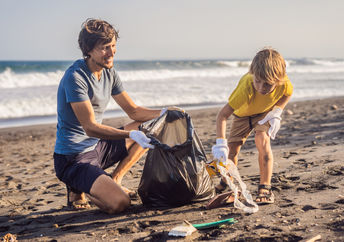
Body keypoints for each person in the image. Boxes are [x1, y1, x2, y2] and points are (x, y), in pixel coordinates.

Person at [53, 18, 164, 214]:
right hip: (73, 159)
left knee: (153, 127)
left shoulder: (109, 72)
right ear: (89, 50)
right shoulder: (75, 77)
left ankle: (115, 179)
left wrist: (167, 113)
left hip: (97, 149)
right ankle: (79, 187)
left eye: (113, 45)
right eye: (105, 47)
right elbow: (90, 127)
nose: (112, 52)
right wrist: (129, 135)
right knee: (120, 203)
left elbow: (134, 111)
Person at [211, 47, 293, 205]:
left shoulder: (284, 83)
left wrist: (277, 112)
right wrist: (220, 143)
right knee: (231, 150)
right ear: (252, 74)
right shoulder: (247, 86)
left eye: (268, 84)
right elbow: (222, 115)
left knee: (262, 140)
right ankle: (227, 182)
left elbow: (288, 94)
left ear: (279, 79)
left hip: (264, 114)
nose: (261, 88)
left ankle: (265, 186)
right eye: (258, 81)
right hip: (242, 116)